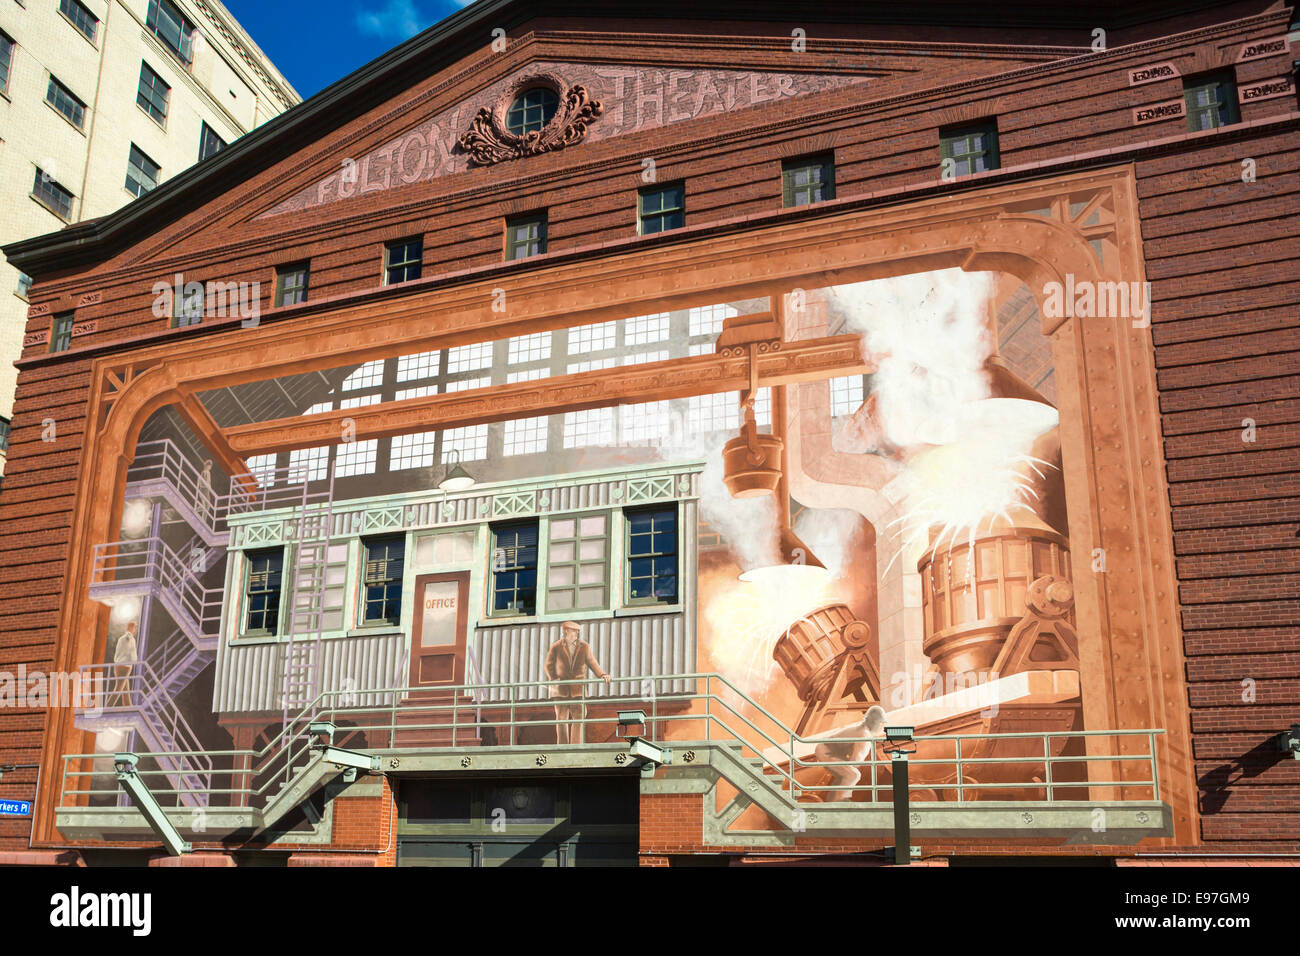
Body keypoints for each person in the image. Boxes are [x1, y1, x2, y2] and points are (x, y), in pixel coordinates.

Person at [544, 621, 610, 745]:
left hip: (578, 689)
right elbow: (548, 664)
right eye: (574, 631)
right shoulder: (556, 646)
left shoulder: (584, 646)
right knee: (561, 718)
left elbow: (592, 662)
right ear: (565, 632)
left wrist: (602, 674)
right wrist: (553, 678)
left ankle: (576, 744)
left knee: (579, 717)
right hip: (560, 689)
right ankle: (562, 746)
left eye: (577, 631)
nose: (576, 634)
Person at [812, 705, 886, 802]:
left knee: (845, 774)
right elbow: (856, 761)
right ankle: (839, 801)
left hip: (829, 750)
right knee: (853, 775)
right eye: (881, 723)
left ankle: (835, 798)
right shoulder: (864, 735)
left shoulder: (860, 729)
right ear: (876, 723)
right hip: (827, 751)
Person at [111, 622, 139, 707]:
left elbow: (117, 654)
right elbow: (132, 654)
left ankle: (128, 706)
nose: (135, 630)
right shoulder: (130, 639)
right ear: (132, 628)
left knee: (125, 690)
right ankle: (108, 707)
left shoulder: (121, 638)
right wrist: (135, 661)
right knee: (118, 689)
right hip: (125, 666)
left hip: (118, 665)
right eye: (135, 628)